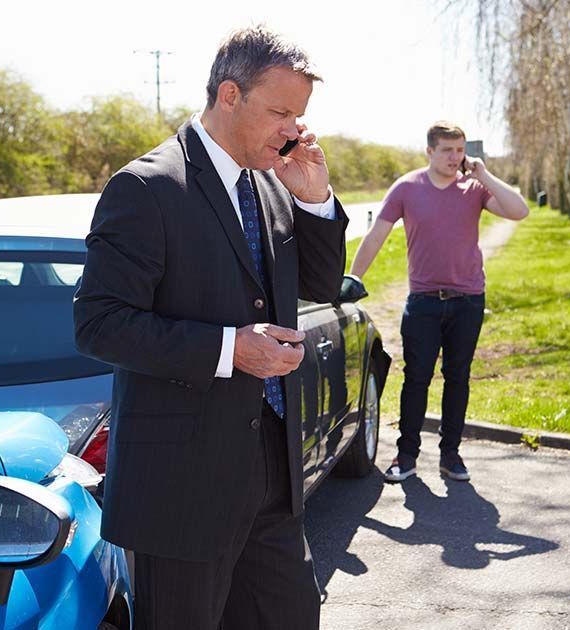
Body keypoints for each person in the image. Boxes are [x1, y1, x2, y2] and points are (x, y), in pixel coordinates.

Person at [73, 26, 347, 630]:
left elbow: (324, 285)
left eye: (298, 116)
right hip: (182, 495)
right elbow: (99, 324)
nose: (292, 131)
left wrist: (314, 197)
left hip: (273, 478)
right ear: (229, 94)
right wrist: (230, 350)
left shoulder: (274, 183)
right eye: (280, 112)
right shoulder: (147, 187)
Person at [349, 121, 528, 484]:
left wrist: (484, 173)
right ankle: (406, 455)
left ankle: (451, 455)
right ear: (430, 151)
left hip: (468, 300)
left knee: (458, 378)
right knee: (416, 379)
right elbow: (376, 236)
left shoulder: (474, 188)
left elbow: (519, 211)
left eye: (459, 150)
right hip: (424, 302)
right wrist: (353, 279)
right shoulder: (407, 188)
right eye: (447, 150)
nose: (454, 157)